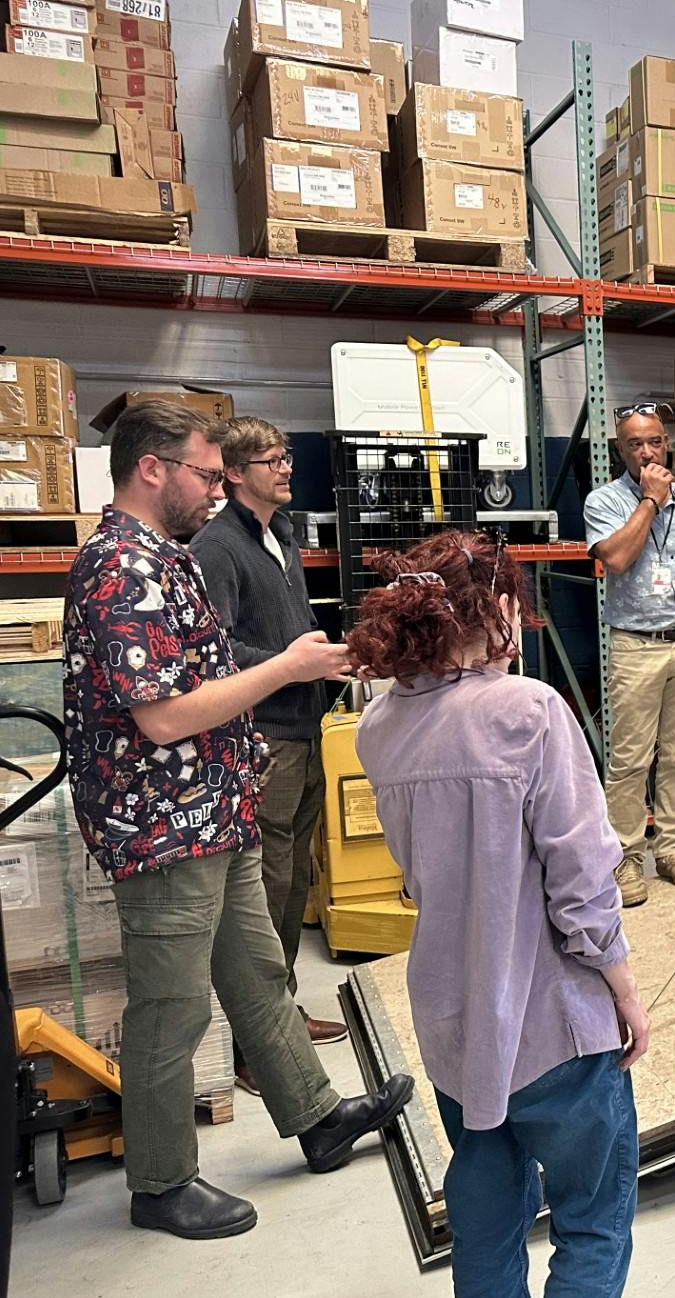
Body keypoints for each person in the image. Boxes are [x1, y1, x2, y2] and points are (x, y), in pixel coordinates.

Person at [63, 400, 415, 1240]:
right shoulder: (121, 568)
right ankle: (161, 1182)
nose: (217, 492)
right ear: (152, 468)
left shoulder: (169, 557)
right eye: (205, 473)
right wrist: (288, 667)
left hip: (213, 813)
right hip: (162, 827)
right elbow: (161, 717)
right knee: (171, 1009)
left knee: (260, 975)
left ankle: (318, 1116)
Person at [348, 530, 647, 1298]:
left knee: (484, 1213)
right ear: (499, 610)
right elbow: (584, 879)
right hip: (554, 1025)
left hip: (452, 1023)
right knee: (593, 1222)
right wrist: (622, 987)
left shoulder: (381, 726)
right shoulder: (529, 712)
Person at [191, 416, 346, 1095]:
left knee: (295, 878)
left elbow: (294, 627)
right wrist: (294, 666)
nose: (287, 468)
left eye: (286, 456)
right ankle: (257, 1041)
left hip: (304, 725)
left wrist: (326, 657)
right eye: (271, 460)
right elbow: (213, 653)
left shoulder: (280, 533)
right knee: (268, 886)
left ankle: (280, 1014)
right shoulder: (217, 547)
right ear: (232, 472)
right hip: (263, 736)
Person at [583, 403, 675, 906]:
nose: (646, 451)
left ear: (665, 442)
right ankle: (624, 858)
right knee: (629, 760)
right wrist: (649, 500)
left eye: (653, 441)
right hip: (636, 647)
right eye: (634, 444)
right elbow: (618, 559)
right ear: (619, 450)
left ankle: (671, 849)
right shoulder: (603, 502)